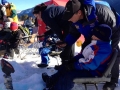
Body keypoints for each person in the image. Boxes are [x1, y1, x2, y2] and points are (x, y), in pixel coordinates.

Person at [62, 0, 120, 90]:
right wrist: (66, 42)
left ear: (79, 13)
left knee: (113, 53)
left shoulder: (102, 12)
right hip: (93, 34)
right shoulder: (75, 18)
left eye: (70, 17)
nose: (69, 19)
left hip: (113, 29)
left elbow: (112, 29)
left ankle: (113, 80)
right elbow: (74, 33)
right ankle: (87, 72)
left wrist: (108, 46)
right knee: (85, 49)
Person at [42, 24, 112, 90]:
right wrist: (72, 60)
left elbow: (91, 64)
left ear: (101, 36)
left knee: (69, 76)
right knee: (64, 67)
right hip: (86, 68)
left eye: (94, 34)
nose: (92, 35)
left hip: (93, 72)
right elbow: (83, 55)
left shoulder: (104, 49)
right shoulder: (95, 43)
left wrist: (74, 66)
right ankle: (51, 81)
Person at [33, 3, 79, 68]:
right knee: (69, 46)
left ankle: (65, 67)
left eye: (37, 16)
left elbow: (57, 29)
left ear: (39, 12)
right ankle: (70, 64)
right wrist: (46, 34)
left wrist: (62, 40)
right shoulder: (48, 10)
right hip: (70, 24)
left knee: (66, 46)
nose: (38, 19)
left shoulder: (45, 14)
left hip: (69, 25)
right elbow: (55, 27)